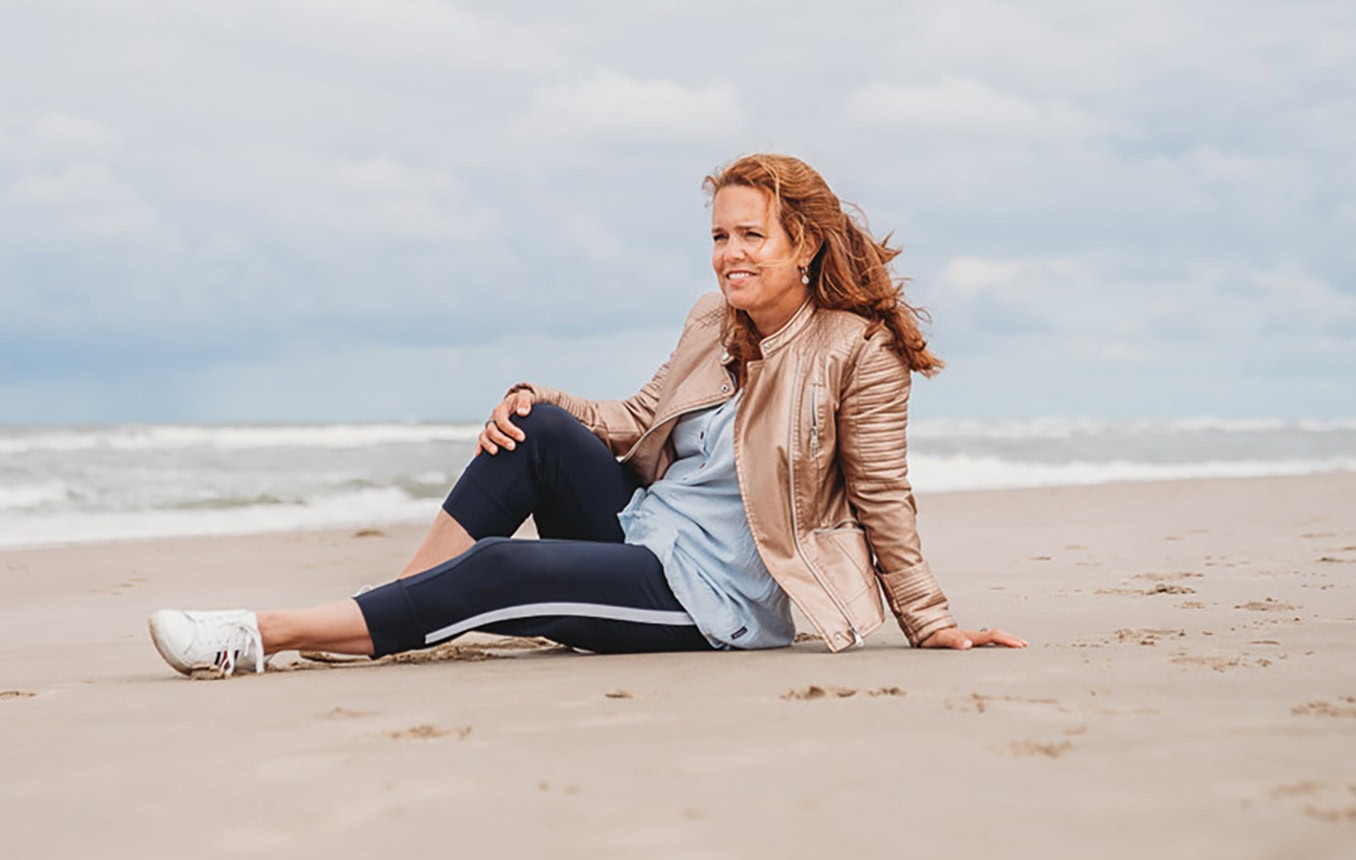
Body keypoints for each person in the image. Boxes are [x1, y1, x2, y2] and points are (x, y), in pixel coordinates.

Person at [147, 153, 1027, 679]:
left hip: (712, 599)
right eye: (719, 236)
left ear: (804, 243)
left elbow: (881, 494)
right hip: (644, 533)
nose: (728, 255)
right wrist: (536, 399)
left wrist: (929, 622)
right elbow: (639, 417)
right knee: (536, 430)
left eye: (750, 235)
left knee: (500, 567)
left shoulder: (857, 351)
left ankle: (258, 636)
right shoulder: (712, 319)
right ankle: (389, 612)